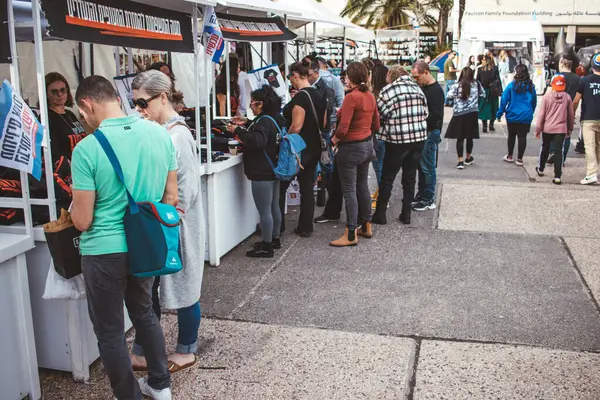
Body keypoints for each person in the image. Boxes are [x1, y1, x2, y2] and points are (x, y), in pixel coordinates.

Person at [70, 76, 174, 400]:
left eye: (80, 115)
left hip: (103, 251)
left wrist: (73, 207)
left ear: (87, 105)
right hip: (145, 245)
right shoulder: (160, 134)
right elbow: (170, 197)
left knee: (111, 333)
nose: (82, 121)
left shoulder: (86, 149)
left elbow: (83, 220)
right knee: (144, 313)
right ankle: (161, 386)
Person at [129, 70, 204, 376]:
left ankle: (187, 349)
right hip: (165, 223)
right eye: (135, 103)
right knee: (155, 287)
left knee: (185, 287)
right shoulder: (163, 132)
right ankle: (144, 349)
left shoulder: (177, 136)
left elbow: (185, 192)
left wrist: (168, 217)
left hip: (175, 225)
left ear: (162, 97)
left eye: (142, 102)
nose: (138, 109)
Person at [227, 85, 284, 256]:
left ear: (260, 104)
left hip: (262, 171)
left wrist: (237, 130)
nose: (250, 106)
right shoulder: (273, 118)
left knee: (264, 210)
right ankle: (274, 239)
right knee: (274, 207)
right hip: (273, 169)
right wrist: (248, 123)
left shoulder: (264, 121)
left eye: (252, 103)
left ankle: (266, 247)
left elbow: (257, 141)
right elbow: (264, 133)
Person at [329, 62, 379, 247]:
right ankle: (366, 225)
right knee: (362, 186)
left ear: (351, 78)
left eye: (347, 76)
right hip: (367, 145)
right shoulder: (370, 96)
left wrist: (333, 140)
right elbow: (376, 125)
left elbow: (343, 128)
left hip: (351, 148)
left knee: (349, 190)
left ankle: (351, 233)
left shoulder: (352, 97)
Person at [372, 65, 428, 226]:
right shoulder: (417, 89)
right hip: (418, 138)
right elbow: (426, 113)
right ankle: (406, 214)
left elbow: (379, 115)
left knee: (388, 177)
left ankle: (381, 214)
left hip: (398, 139)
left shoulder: (389, 91)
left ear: (391, 76)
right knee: (410, 178)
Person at [279, 62, 326, 237]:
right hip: (314, 147)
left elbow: (296, 126)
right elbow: (325, 123)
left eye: (290, 77)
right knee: (307, 188)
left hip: (298, 149)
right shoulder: (319, 96)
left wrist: (286, 136)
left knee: (282, 185)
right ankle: (306, 227)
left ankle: (278, 226)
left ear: (295, 76)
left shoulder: (300, 98)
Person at [411, 61, 445, 211]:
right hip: (425, 131)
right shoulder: (424, 87)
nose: (416, 80)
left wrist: (420, 119)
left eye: (417, 77)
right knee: (422, 165)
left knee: (427, 166)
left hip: (430, 131)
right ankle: (422, 193)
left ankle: (428, 198)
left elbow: (436, 115)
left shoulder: (435, 90)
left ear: (426, 72)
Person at [535, 75, 575, 185]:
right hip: (561, 129)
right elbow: (571, 115)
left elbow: (541, 115)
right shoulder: (567, 98)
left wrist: (538, 129)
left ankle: (541, 169)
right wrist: (570, 128)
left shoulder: (547, 97)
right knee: (558, 152)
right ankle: (557, 176)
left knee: (545, 148)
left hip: (547, 128)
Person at [497, 64, 537, 166]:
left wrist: (500, 112)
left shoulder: (511, 86)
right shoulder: (531, 87)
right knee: (522, 137)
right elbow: (534, 102)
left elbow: (504, 99)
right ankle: (520, 159)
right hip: (525, 116)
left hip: (512, 115)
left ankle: (510, 156)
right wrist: (530, 112)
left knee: (511, 135)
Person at [445, 67, 485, 169]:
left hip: (459, 114)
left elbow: (448, 96)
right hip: (472, 113)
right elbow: (483, 94)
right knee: (470, 137)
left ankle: (460, 161)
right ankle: (468, 157)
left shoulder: (456, 86)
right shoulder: (477, 84)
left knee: (460, 138)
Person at [45, 72, 87, 162]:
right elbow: (52, 153)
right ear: (47, 94)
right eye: (54, 91)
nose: (60, 94)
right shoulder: (46, 118)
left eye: (63, 90)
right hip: (64, 171)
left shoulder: (70, 114)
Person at [548, 56, 581, 164]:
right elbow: (577, 98)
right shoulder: (577, 79)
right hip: (569, 108)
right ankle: (562, 158)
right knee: (567, 134)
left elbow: (550, 94)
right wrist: (573, 111)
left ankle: (553, 152)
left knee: (553, 132)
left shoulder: (557, 76)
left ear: (562, 64)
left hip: (556, 109)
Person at [573, 53, 600, 185]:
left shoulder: (584, 81)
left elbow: (576, 100)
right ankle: (597, 172)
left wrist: (571, 114)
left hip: (589, 118)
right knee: (599, 147)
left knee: (589, 146)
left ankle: (591, 174)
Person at [371, 63, 390, 202]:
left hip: (378, 135)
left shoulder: (375, 95)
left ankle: (383, 197)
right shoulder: (389, 92)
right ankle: (381, 193)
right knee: (383, 166)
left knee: (379, 167)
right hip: (389, 134)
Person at [477, 54, 501, 133]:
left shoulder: (480, 69)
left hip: (484, 91)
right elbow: (498, 80)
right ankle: (491, 125)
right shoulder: (495, 69)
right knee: (493, 108)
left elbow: (478, 81)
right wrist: (500, 91)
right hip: (493, 91)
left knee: (484, 108)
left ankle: (484, 126)